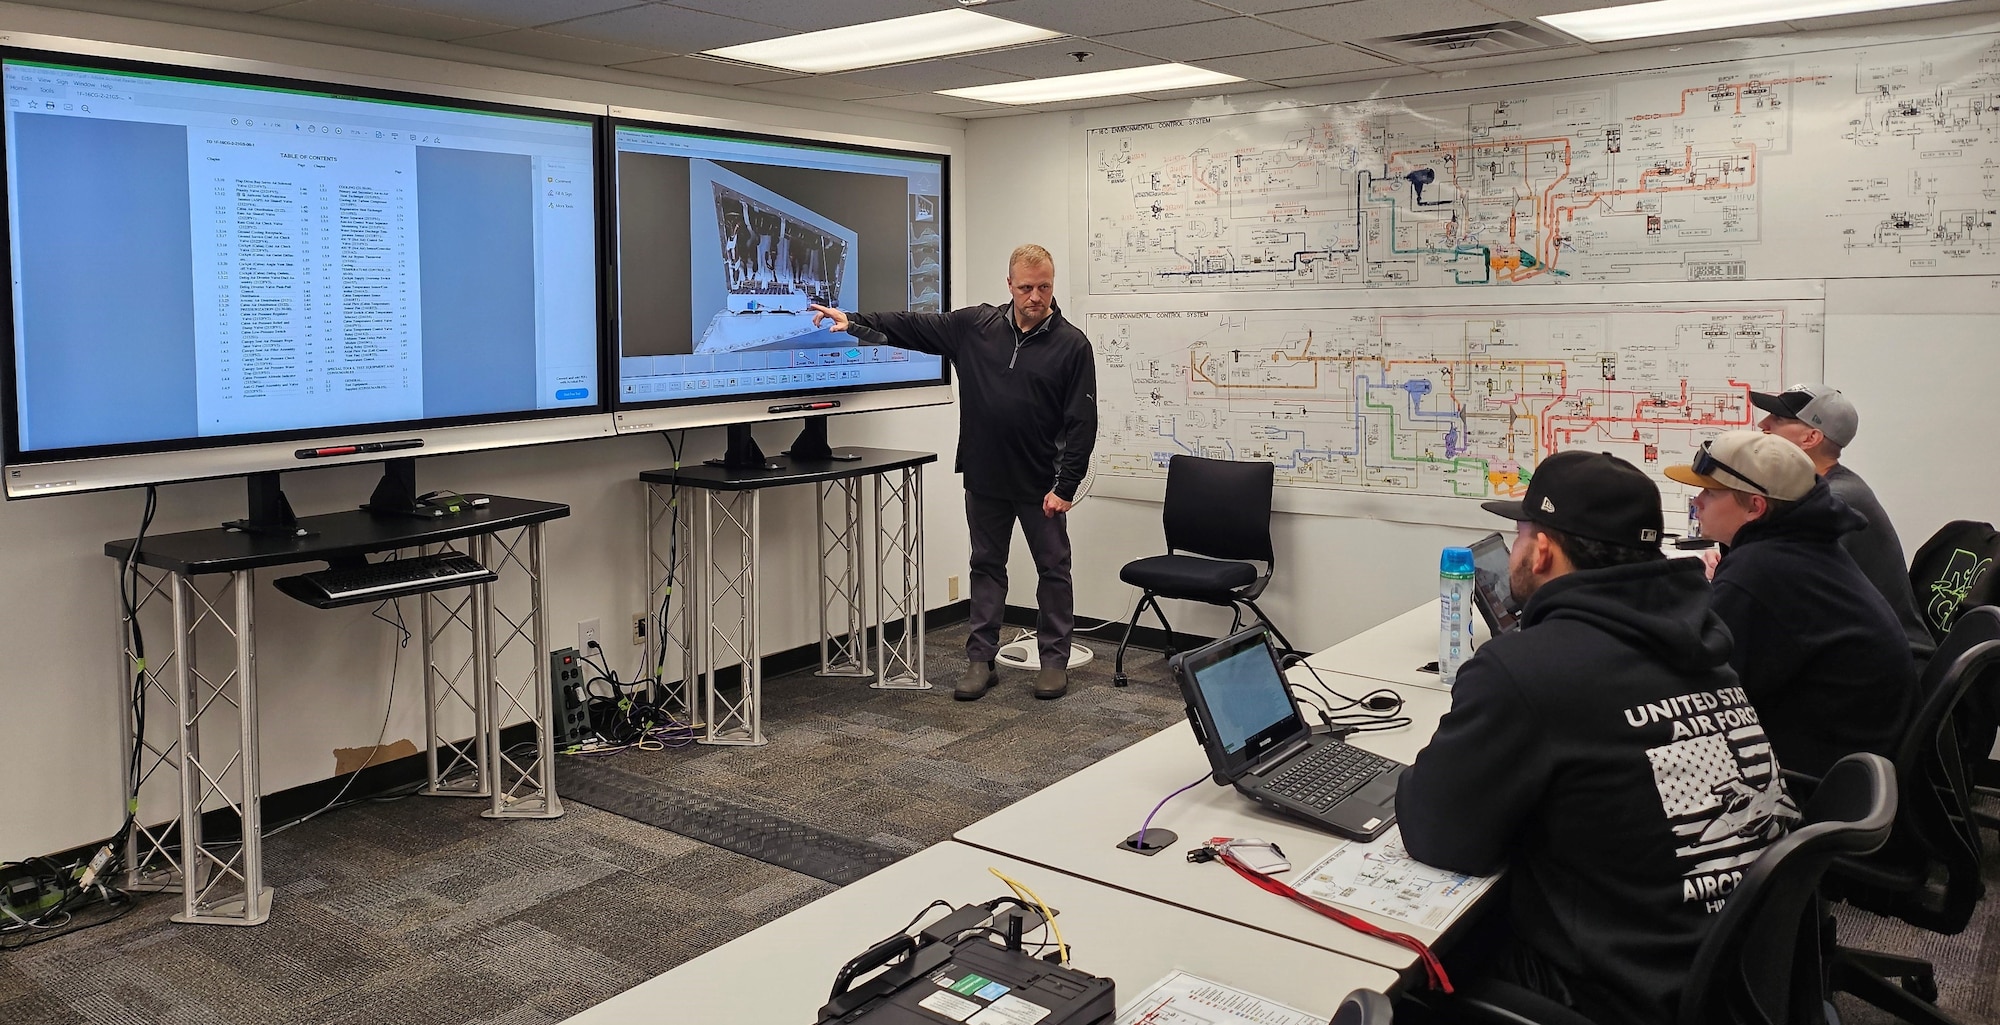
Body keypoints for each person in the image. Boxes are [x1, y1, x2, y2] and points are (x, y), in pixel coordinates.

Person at [1398, 450, 1793, 1025]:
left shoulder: (1529, 668)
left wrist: (1414, 779)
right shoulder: (1700, 640)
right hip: (1732, 973)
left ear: (1542, 549)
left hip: (1621, 994)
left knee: (1410, 966)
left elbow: (1442, 836)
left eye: (1519, 534)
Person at [809, 244, 1096, 701]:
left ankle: (1053, 661)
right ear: (1009, 286)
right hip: (984, 477)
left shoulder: (1072, 345)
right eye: (1026, 287)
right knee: (985, 566)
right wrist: (854, 320)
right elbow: (913, 326)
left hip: (1041, 483)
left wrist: (1067, 486)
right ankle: (981, 660)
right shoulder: (974, 327)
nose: (1036, 297)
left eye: (1044, 287)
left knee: (1053, 569)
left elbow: (1083, 422)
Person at [1666, 430, 1916, 778]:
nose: (1697, 501)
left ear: (1755, 506)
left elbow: (1699, 682)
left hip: (1815, 775)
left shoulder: (1763, 569)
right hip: (1859, 755)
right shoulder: (1803, 545)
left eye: (1710, 491)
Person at [1753, 383, 1932, 657]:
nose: (1762, 424)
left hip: (1881, 665)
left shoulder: (1836, 501)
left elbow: (1784, 590)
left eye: (1777, 419)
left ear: (1811, 438)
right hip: (1853, 650)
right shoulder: (1818, 490)